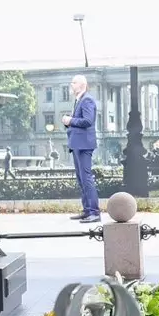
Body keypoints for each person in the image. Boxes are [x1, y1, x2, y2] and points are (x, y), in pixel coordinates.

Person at [63, 73, 100, 223]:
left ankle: (94, 212)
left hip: (84, 145)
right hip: (78, 144)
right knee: (81, 179)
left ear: (82, 85)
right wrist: (68, 122)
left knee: (86, 178)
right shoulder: (79, 100)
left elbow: (88, 121)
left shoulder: (87, 100)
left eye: (73, 82)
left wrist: (70, 120)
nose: (71, 85)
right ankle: (87, 210)